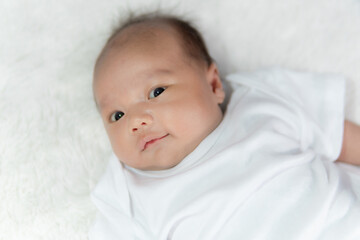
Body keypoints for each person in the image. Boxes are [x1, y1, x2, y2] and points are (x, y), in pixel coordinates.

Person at [90, 13, 360, 239]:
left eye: (156, 91)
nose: (136, 121)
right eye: (117, 115)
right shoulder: (127, 195)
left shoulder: (262, 104)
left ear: (213, 85)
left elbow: (346, 141)